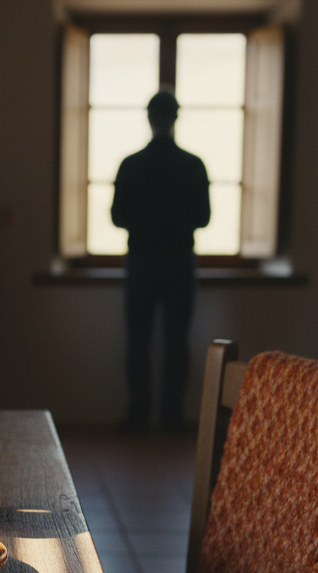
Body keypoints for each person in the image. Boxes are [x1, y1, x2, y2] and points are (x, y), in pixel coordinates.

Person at [111, 90, 210, 434]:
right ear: (175, 118)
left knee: (138, 340)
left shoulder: (132, 164)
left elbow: (117, 217)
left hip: (140, 261)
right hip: (179, 261)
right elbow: (204, 217)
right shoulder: (192, 165)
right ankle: (172, 418)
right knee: (176, 341)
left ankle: (138, 416)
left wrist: (146, 223)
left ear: (149, 118)